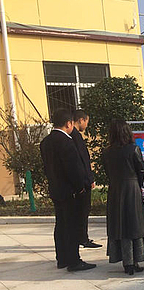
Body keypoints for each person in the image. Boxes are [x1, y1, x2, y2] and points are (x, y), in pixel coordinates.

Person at [40, 108, 96, 272]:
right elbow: (74, 169)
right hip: (70, 191)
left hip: (56, 189)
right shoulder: (66, 141)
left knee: (61, 225)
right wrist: (80, 187)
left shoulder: (45, 142)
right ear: (69, 123)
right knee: (72, 225)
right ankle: (74, 261)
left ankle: (62, 258)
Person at [103, 120, 144, 275]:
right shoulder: (133, 149)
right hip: (132, 187)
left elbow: (107, 172)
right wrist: (138, 184)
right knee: (134, 224)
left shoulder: (107, 152)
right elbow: (141, 169)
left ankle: (126, 261)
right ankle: (134, 260)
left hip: (115, 189)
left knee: (120, 224)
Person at [71, 110, 102, 249]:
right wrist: (89, 179)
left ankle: (80, 237)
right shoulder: (75, 136)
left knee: (81, 211)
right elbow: (83, 160)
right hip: (82, 181)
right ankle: (82, 238)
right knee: (83, 210)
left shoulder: (72, 135)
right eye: (86, 122)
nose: (86, 125)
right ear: (81, 120)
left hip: (80, 180)